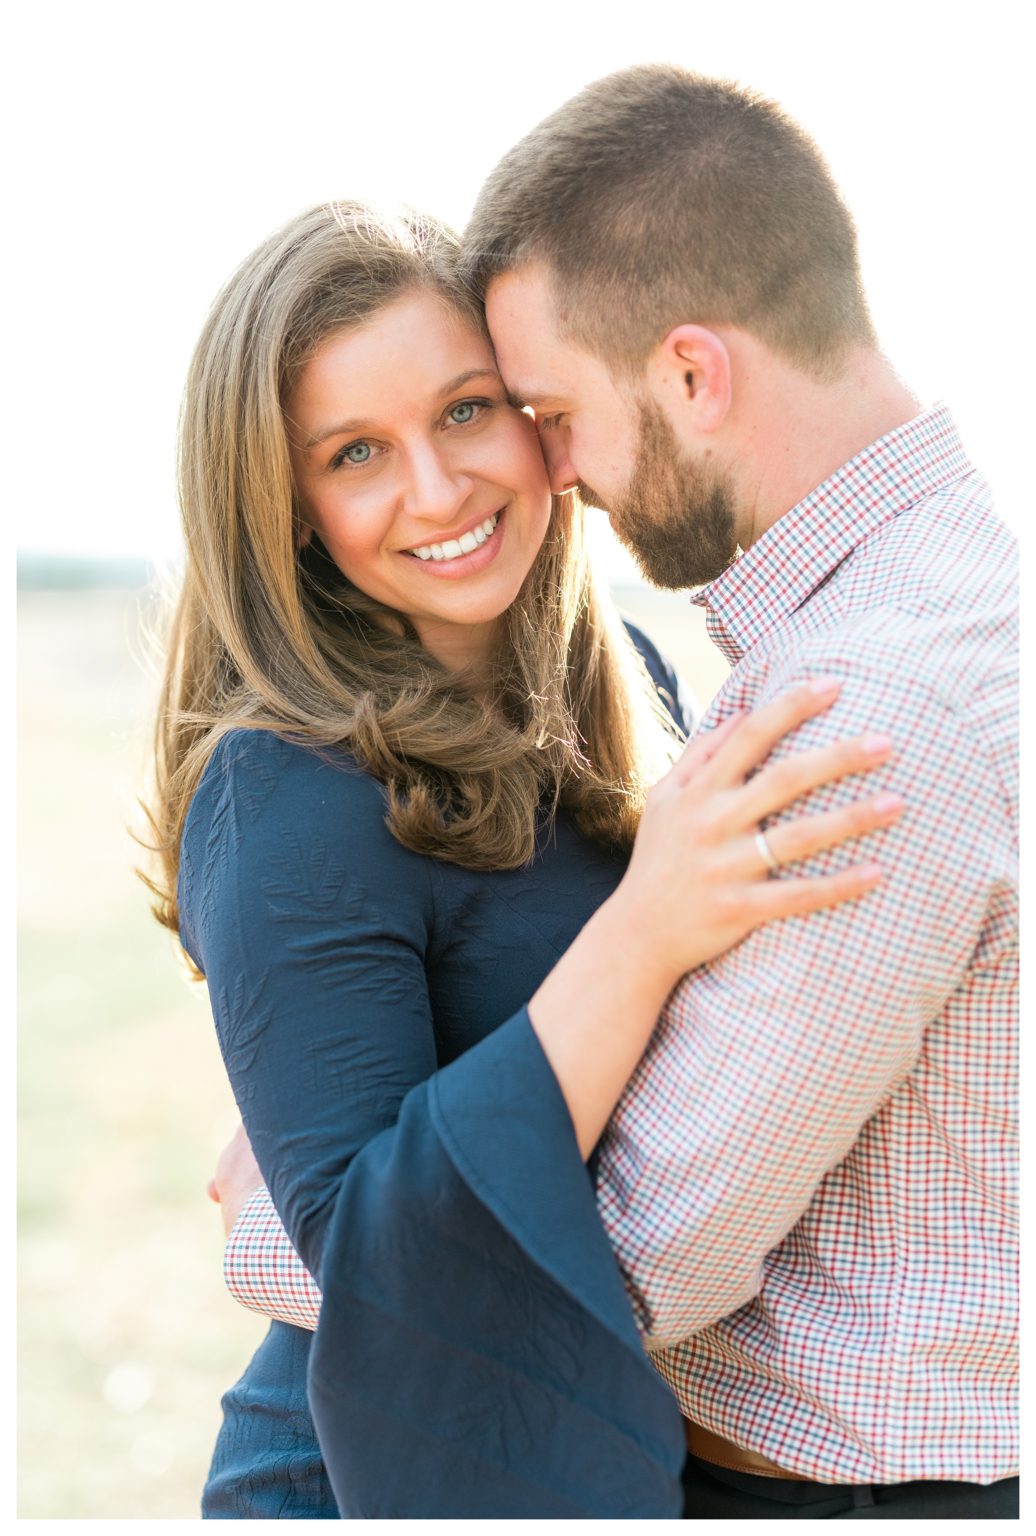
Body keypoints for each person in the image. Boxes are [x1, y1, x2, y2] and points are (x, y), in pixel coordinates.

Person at [147, 200, 900, 1518]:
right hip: (375, 1478)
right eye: (356, 451)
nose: (438, 492)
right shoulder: (281, 789)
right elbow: (370, 1252)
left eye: (466, 412)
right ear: (288, 505)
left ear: (541, 419)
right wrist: (644, 930)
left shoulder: (627, 682)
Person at [451, 63, 1017, 1520]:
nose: (552, 473)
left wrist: (294, 1203)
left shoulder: (869, 707)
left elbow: (644, 1248)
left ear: (693, 373)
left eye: (554, 411)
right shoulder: (954, 591)